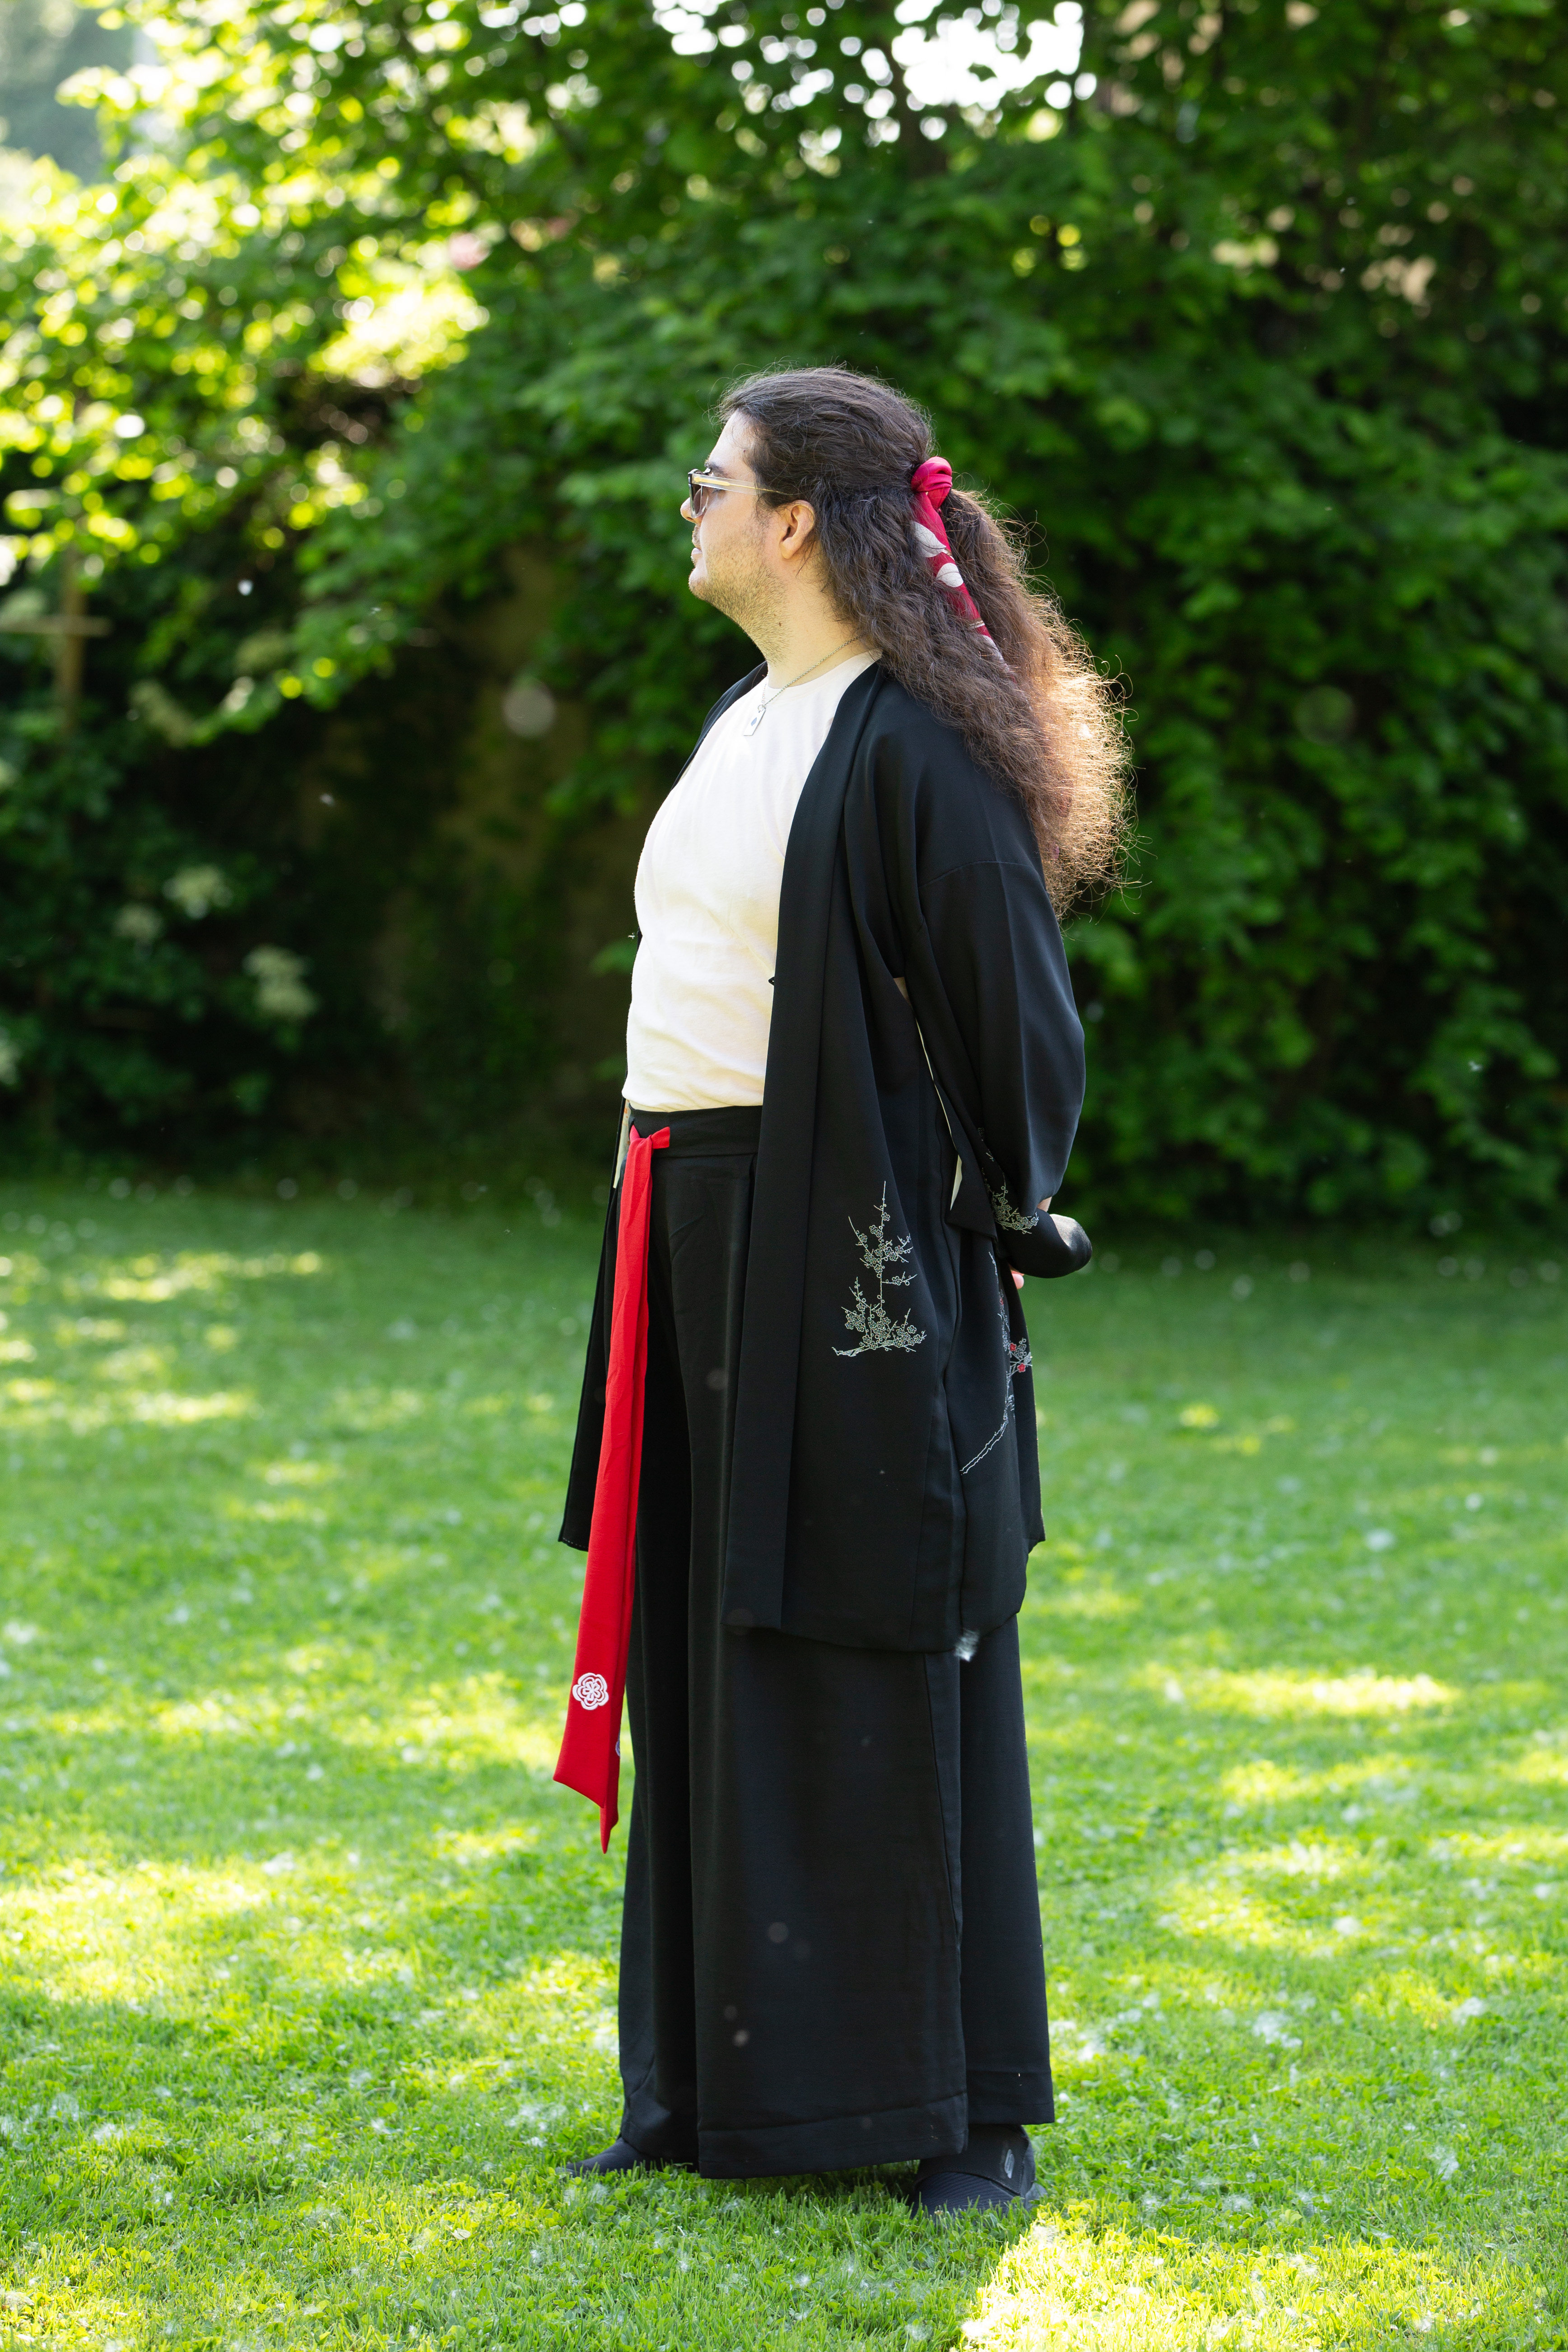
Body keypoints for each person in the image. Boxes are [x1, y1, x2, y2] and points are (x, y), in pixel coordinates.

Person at [554, 366, 1126, 2213]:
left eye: (711, 480)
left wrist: (959, 1208)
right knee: (712, 1633)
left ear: (794, 519)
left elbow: (1016, 1034)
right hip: (692, 1219)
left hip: (846, 1241)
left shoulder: (910, 744)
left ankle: (960, 2110)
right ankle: (719, 2094)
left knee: (878, 1628)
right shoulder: (750, 715)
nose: (691, 505)